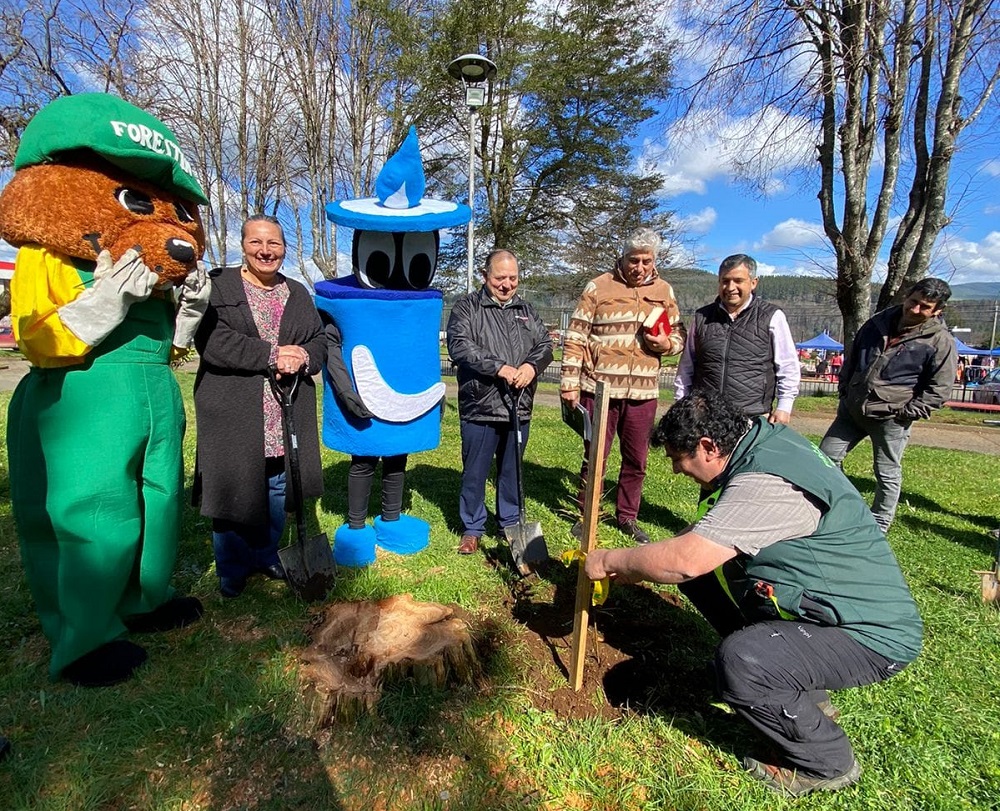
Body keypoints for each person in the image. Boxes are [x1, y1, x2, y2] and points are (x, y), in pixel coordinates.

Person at [583, 389, 922, 797]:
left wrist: (610, 560)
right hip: (824, 606)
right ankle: (804, 692)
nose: (676, 471)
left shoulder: (765, 481)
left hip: (870, 636)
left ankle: (828, 761)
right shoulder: (762, 442)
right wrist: (644, 564)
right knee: (702, 576)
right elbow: (699, 548)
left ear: (708, 447)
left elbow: (686, 560)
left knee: (742, 660)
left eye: (678, 459)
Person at [193, 215, 326, 598]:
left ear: (284, 248)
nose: (266, 251)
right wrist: (271, 354)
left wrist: (302, 354)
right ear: (243, 245)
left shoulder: (297, 292)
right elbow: (214, 341)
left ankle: (266, 555)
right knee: (233, 489)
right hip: (235, 409)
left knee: (277, 486)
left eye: (274, 244)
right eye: (256, 243)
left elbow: (319, 339)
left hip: (285, 410)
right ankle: (232, 570)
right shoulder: (220, 287)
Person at [560, 228, 686, 544]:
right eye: (634, 260)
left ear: (654, 260)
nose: (639, 267)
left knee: (637, 459)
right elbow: (575, 337)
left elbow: (679, 337)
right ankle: (586, 514)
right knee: (595, 455)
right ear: (623, 256)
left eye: (646, 261)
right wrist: (569, 384)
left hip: (643, 392)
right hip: (599, 389)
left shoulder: (664, 291)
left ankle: (627, 516)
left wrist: (665, 344)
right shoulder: (598, 287)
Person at [819, 278, 957, 532]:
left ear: (937, 310)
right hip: (852, 409)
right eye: (913, 301)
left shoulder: (940, 342)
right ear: (907, 296)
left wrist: (906, 413)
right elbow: (853, 355)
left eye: (924, 307)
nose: (915, 309)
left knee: (886, 473)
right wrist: (845, 389)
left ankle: (880, 523)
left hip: (892, 417)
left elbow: (940, 388)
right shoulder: (877, 323)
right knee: (826, 457)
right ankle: (839, 506)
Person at [447, 249, 553, 555]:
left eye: (513, 278)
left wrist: (532, 366)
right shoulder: (467, 307)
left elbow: (545, 344)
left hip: (518, 405)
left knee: (512, 471)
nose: (507, 285)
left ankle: (511, 521)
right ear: (485, 276)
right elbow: (460, 346)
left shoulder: (527, 310)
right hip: (481, 406)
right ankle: (472, 527)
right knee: (475, 471)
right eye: (499, 278)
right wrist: (499, 368)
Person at [674, 254, 800, 422]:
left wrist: (784, 406)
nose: (730, 287)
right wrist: (680, 402)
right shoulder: (701, 317)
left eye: (738, 281)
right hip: (704, 415)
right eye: (725, 281)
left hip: (752, 416)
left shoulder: (772, 316)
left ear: (753, 283)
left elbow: (787, 365)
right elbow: (686, 367)